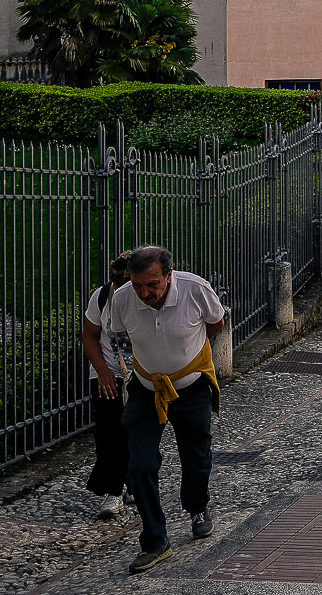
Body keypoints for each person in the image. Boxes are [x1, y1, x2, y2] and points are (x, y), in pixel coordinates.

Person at [87, 245, 226, 574]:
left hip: (191, 388)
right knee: (140, 466)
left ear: (168, 275)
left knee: (196, 455)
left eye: (152, 285)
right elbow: (116, 336)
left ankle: (198, 508)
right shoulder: (121, 299)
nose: (144, 293)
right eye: (137, 285)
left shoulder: (196, 290)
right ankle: (154, 541)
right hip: (145, 389)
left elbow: (216, 324)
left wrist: (187, 352)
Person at [81, 250, 135, 518]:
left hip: (143, 376)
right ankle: (113, 491)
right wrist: (102, 372)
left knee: (138, 432)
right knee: (108, 432)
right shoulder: (102, 297)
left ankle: (135, 481)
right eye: (117, 286)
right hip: (109, 373)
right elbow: (89, 336)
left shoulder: (148, 296)